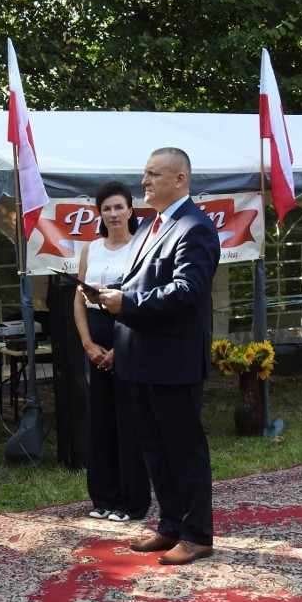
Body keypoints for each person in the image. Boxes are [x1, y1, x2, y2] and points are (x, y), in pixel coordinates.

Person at [97, 148, 220, 566]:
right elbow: (141, 282)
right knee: (155, 449)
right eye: (144, 175)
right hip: (141, 358)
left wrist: (126, 303)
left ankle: (198, 534)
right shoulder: (151, 224)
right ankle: (171, 525)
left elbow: (188, 292)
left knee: (183, 450)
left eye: (152, 175)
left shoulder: (195, 228)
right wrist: (108, 296)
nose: (144, 182)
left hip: (173, 361)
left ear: (180, 179)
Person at [72, 181, 150, 523]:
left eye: (119, 207)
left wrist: (120, 349)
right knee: (99, 422)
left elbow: (144, 303)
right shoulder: (91, 249)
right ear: (99, 214)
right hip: (95, 341)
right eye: (107, 209)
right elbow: (78, 300)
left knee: (129, 423)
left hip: (129, 341)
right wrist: (88, 344)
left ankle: (131, 502)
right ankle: (103, 498)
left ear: (131, 210)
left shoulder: (142, 247)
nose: (113, 214)